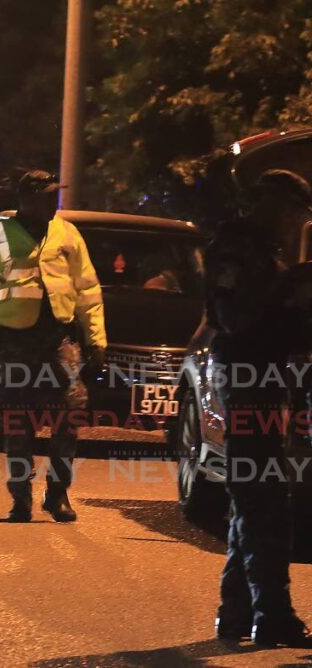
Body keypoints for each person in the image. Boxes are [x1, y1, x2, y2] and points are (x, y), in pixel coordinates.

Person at [205, 169, 312, 647]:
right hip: (246, 379)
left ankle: (236, 613)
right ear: (271, 204)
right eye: (293, 213)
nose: (296, 224)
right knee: (264, 499)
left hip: (267, 379)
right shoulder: (235, 248)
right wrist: (290, 289)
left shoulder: (265, 253)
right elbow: (235, 319)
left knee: (252, 499)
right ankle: (272, 616)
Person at [0, 170, 106, 523]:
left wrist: (96, 340)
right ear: (26, 200)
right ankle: (20, 495)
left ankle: (57, 493)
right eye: (47, 196)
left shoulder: (67, 233)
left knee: (71, 410)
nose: (54, 202)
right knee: (16, 421)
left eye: (56, 195)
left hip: (58, 339)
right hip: (12, 340)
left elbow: (88, 290)